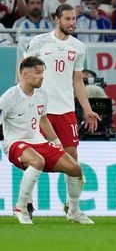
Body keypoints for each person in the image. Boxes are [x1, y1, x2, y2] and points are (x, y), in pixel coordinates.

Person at [22, 4, 100, 218]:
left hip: (66, 111)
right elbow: (23, 72)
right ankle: (26, 204)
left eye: (74, 19)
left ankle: (72, 208)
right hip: (40, 111)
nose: (72, 23)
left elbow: (77, 81)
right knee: (32, 158)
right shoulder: (39, 42)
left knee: (72, 159)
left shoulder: (78, 47)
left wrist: (87, 109)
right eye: (67, 19)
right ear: (56, 19)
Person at [0, 56, 92, 224]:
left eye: (42, 72)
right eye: (37, 73)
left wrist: (56, 142)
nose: (42, 76)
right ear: (25, 75)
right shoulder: (9, 97)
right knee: (37, 161)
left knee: (75, 168)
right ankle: (20, 208)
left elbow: (43, 119)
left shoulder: (42, 94)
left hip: (39, 141)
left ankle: (73, 211)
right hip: (15, 143)